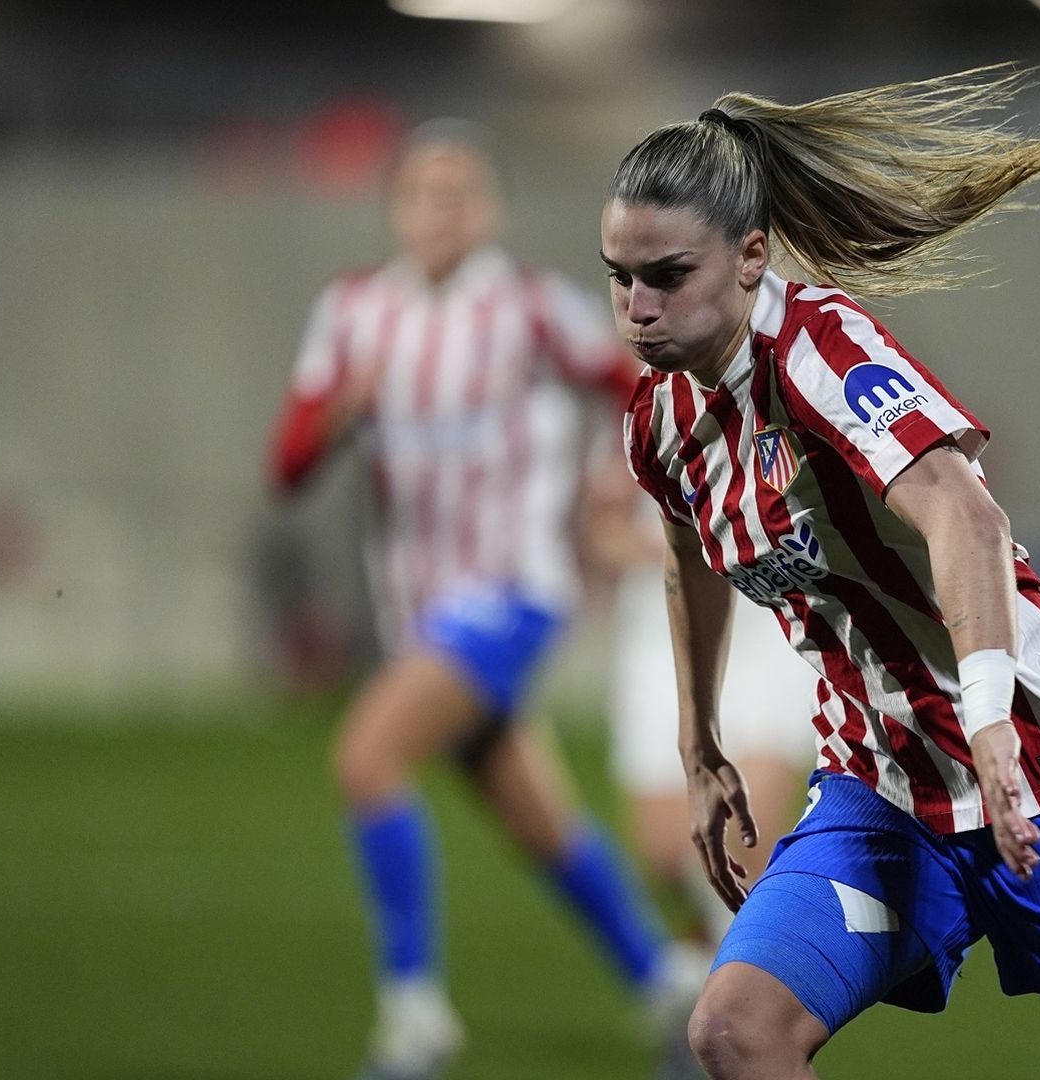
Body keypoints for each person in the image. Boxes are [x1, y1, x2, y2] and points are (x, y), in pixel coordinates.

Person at [601, 67, 1040, 1080]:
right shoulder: (663, 420)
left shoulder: (818, 349)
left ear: (752, 255)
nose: (637, 306)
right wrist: (700, 747)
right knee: (732, 1030)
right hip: (884, 791)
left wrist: (986, 721)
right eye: (618, 275)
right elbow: (689, 559)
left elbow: (965, 514)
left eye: (666, 274)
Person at [267, 119, 704, 1080]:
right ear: (395, 208)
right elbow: (288, 464)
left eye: (462, 193)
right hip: (417, 612)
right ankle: (669, 985)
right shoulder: (353, 315)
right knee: (534, 817)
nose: (442, 211)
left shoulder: (530, 306)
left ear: (490, 209)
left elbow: (639, 383)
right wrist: (347, 407)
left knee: (367, 758)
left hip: (515, 589)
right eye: (425, 192)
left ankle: (414, 1015)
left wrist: (611, 485)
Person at [583, 469, 818, 943]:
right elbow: (602, 530)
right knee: (667, 856)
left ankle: (748, 987)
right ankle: (711, 966)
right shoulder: (641, 411)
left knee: (747, 840)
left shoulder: (785, 405)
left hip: (766, 629)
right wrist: (665, 551)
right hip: (662, 637)